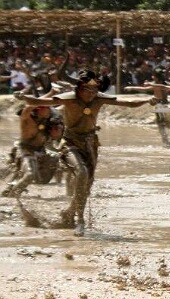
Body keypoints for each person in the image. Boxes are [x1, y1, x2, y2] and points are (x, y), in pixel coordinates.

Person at [13, 70, 154, 236]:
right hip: (71, 142)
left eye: (95, 90)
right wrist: (23, 97)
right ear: (79, 88)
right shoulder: (69, 98)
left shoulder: (99, 98)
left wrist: (148, 99)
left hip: (90, 143)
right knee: (81, 171)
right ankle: (80, 219)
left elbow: (128, 103)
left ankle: (69, 213)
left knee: (87, 184)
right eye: (88, 90)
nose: (91, 94)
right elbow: (41, 101)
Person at [1, 105, 63, 197]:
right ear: (38, 110)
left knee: (57, 158)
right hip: (24, 151)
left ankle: (58, 185)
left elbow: (55, 134)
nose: (49, 110)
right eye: (45, 108)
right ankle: (12, 194)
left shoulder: (49, 122)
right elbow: (29, 107)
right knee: (28, 174)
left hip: (40, 151)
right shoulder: (28, 119)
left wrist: (57, 130)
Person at [124, 68, 170, 147]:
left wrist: (132, 88)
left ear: (156, 77)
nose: (152, 76)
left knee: (161, 125)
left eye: (153, 76)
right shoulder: (164, 83)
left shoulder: (156, 85)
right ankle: (168, 141)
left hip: (160, 106)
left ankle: (167, 142)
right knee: (165, 125)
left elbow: (144, 89)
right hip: (165, 106)